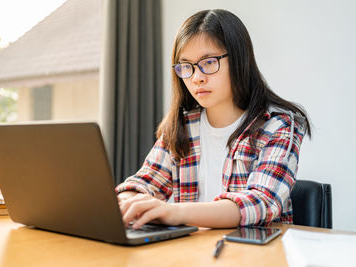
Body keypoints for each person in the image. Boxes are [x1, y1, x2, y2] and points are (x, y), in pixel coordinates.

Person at [115, 9, 311, 229]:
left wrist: (172, 211)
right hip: (193, 254)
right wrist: (128, 200)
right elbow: (144, 182)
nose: (197, 78)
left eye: (208, 62)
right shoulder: (182, 126)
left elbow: (259, 203)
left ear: (239, 60)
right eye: (187, 66)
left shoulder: (278, 126)